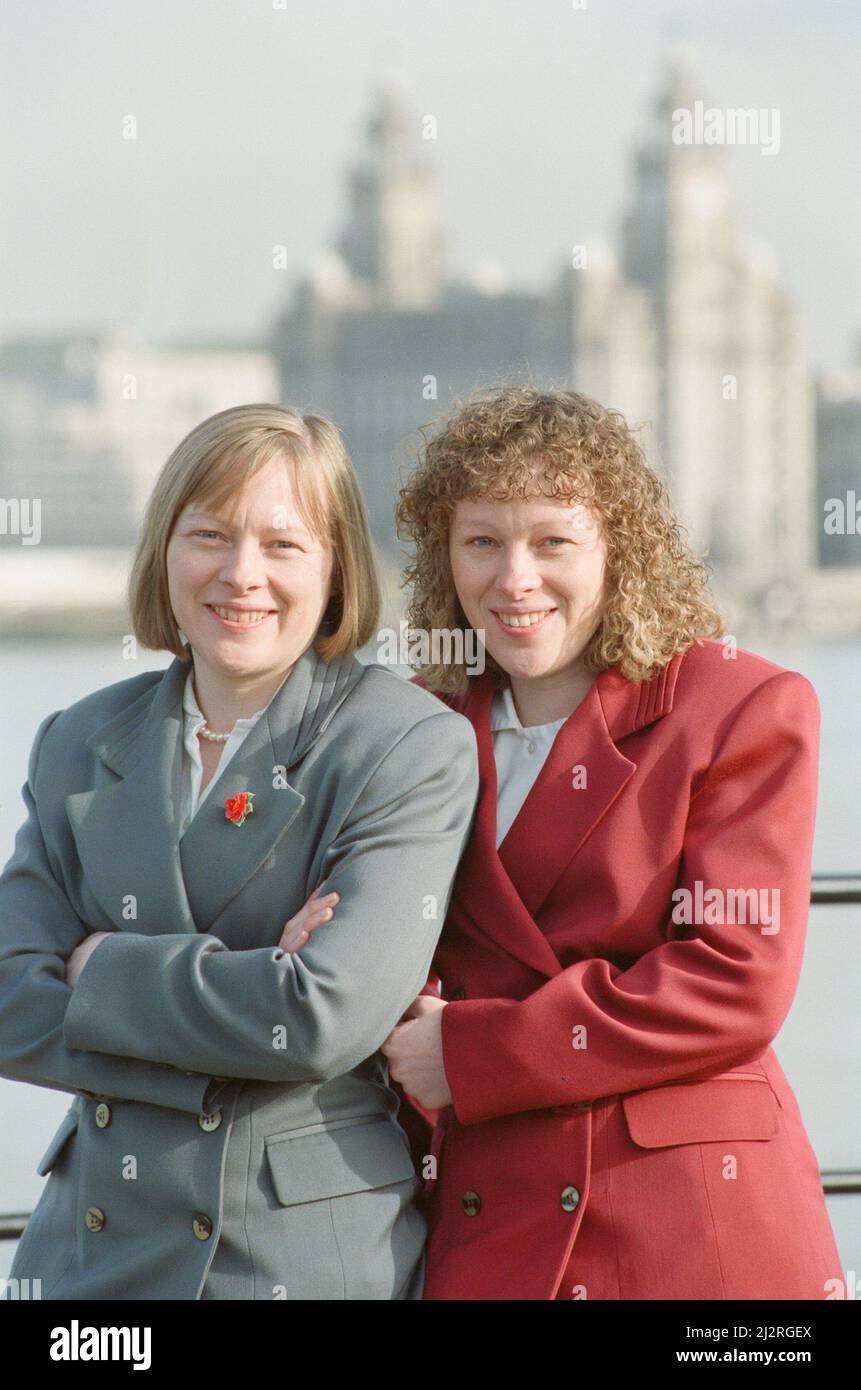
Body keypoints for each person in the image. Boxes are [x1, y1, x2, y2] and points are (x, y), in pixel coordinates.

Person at [319, 384, 843, 1300]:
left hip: (688, 1229)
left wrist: (475, 1055)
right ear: (443, 558)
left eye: (552, 541)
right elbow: (377, 951)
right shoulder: (412, 722)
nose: (514, 580)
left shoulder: (738, 707)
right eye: (481, 541)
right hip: (495, 1214)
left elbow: (735, 980)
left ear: (619, 550)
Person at [0, 402, 479, 1300]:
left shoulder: (403, 742)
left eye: (283, 545)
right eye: (209, 535)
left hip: (293, 1259)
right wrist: (251, 982)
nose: (240, 574)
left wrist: (96, 965)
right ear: (164, 552)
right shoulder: (80, 737)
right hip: (87, 1259)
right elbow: (4, 999)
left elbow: (318, 1018)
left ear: (336, 569)